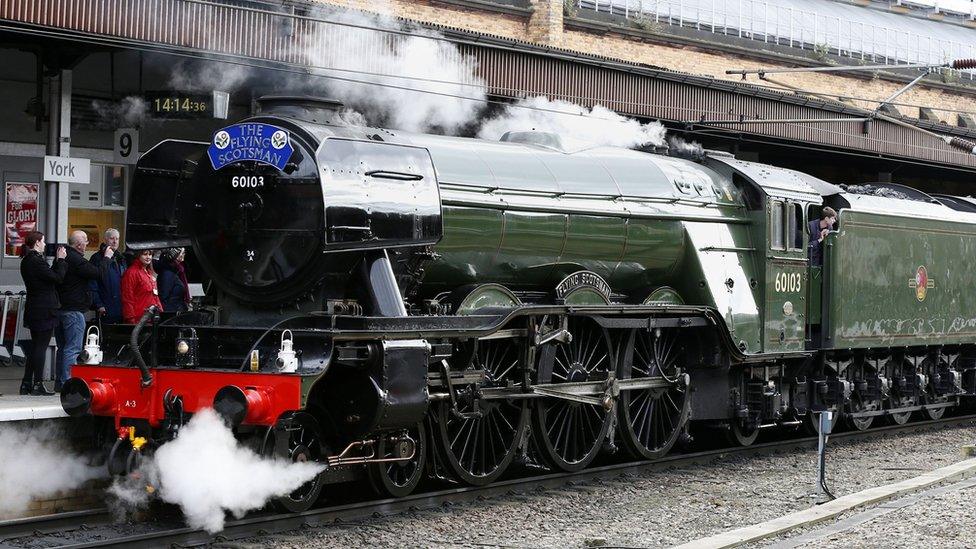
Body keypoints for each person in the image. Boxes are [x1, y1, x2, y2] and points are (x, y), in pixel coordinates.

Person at [19, 231, 66, 395]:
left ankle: (26, 382)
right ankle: (38, 383)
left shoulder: (27, 261)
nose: (45, 245)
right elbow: (58, 278)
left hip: (34, 308)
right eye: (43, 242)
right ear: (37, 243)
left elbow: (48, 277)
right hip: (44, 309)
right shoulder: (36, 261)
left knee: (35, 346)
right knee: (41, 346)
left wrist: (55, 263)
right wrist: (60, 261)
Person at [55, 230, 103, 391]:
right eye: (86, 241)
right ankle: (68, 383)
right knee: (73, 347)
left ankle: (60, 382)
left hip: (60, 309)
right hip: (73, 310)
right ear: (79, 244)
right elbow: (96, 273)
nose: (87, 244)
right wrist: (107, 259)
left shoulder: (62, 256)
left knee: (62, 347)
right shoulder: (76, 259)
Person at [90, 228, 125, 323]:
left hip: (120, 306)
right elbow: (93, 284)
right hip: (105, 305)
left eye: (117, 239)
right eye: (112, 238)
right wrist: (99, 304)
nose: (115, 241)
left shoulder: (120, 258)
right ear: (105, 240)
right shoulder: (97, 258)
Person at [121, 249, 163, 324]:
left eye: (150, 254)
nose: (148, 257)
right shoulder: (131, 273)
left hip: (151, 319)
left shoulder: (149, 272)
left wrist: (160, 311)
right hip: (138, 320)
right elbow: (127, 298)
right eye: (145, 254)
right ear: (138, 255)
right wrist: (131, 319)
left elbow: (154, 295)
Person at [156, 247, 189, 314]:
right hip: (172, 313)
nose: (183, 258)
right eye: (182, 254)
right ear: (175, 257)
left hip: (176, 311)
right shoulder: (168, 274)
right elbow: (164, 298)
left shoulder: (174, 272)